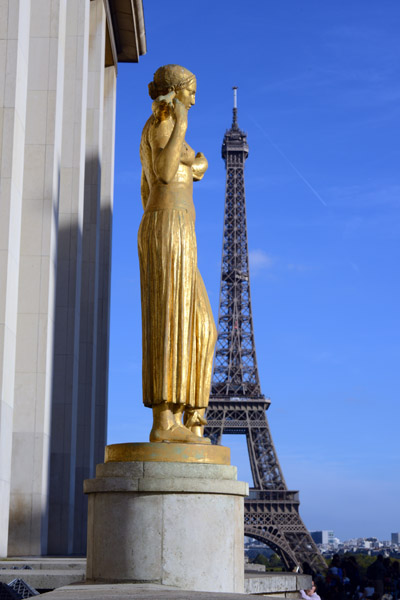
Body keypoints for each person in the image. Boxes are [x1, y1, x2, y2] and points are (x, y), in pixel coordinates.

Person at [138, 64, 217, 444]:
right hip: (167, 225)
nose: (194, 98)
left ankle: (193, 416)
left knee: (204, 328)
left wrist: (195, 160)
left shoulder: (169, 132)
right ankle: (164, 421)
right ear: (175, 91)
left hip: (183, 231)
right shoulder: (162, 127)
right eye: (191, 91)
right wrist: (182, 126)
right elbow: (167, 173)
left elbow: (196, 167)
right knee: (170, 319)